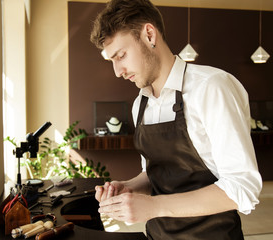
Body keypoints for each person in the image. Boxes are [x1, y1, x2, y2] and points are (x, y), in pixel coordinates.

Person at [90, 0, 262, 239]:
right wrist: (129, 187)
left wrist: (154, 207)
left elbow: (242, 187)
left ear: (149, 35)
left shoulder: (211, 87)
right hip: (157, 235)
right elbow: (155, 174)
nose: (118, 71)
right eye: (112, 61)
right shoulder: (141, 103)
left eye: (121, 56)